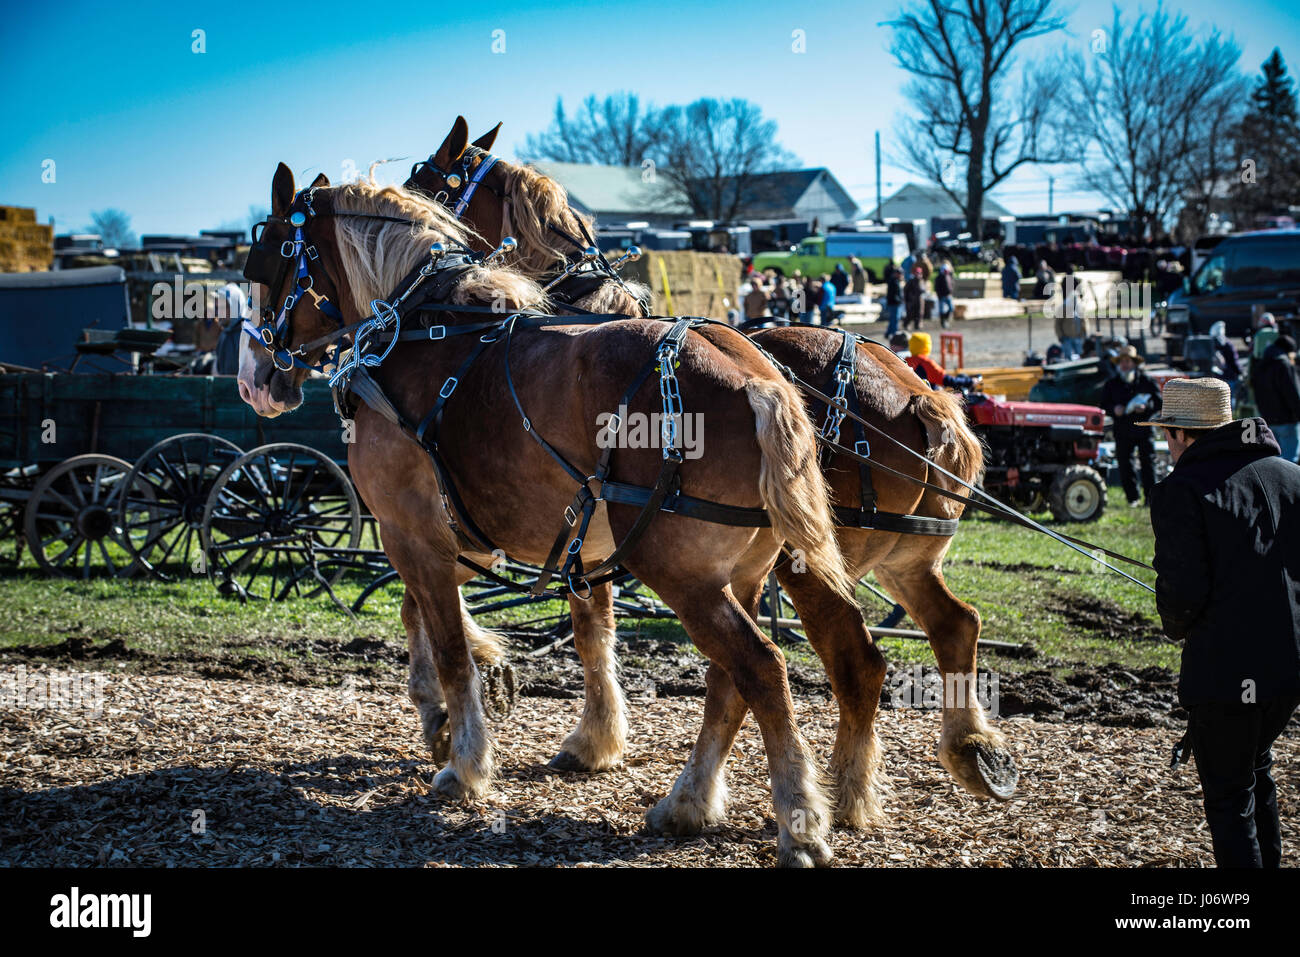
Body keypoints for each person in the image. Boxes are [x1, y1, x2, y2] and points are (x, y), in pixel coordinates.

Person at [1141, 377, 1300, 867]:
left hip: (1229, 672)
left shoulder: (1181, 491)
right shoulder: (1291, 476)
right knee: (1256, 769)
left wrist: (1174, 621)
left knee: (1230, 798)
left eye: (1167, 434)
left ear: (1183, 434)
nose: (1166, 446)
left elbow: (1183, 597)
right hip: (1289, 670)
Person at [1101, 345, 1162, 506]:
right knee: (1125, 464)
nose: (1125, 364)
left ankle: (1150, 498)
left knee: (1148, 463)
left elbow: (1159, 402)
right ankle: (1132, 498)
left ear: (1134, 363)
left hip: (1144, 428)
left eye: (1128, 361)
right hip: (1122, 429)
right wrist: (1115, 409)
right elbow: (1103, 404)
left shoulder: (1146, 381)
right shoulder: (1112, 384)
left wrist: (1146, 407)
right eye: (1122, 361)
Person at [1252, 334, 1300, 463]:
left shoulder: (1260, 366)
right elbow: (1293, 394)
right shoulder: (1284, 365)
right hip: (1287, 420)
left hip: (1268, 420)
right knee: (1291, 462)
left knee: (1274, 461)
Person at [1054, 271, 1091, 360]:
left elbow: (1084, 321)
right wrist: (1060, 336)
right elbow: (1058, 324)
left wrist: (1085, 334)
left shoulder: (1080, 307)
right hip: (1067, 337)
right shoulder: (1064, 308)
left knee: (1080, 356)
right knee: (1068, 357)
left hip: (1078, 336)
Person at [1208, 321, 1242, 409]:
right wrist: (1240, 372)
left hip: (1219, 377)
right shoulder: (1228, 345)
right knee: (1228, 403)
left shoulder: (1213, 345)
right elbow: (1234, 362)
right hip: (1229, 377)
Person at [883, 259, 903, 338]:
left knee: (893, 319)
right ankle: (894, 333)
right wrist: (899, 300)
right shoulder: (894, 281)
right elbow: (893, 294)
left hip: (893, 302)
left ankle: (888, 333)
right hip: (894, 303)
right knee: (895, 319)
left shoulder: (894, 280)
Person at [934, 261, 954, 329]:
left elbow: (951, 285)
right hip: (942, 296)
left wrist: (950, 293)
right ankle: (942, 322)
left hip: (948, 295)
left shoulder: (949, 276)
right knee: (942, 311)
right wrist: (939, 295)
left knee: (951, 308)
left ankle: (946, 319)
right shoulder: (939, 278)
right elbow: (937, 288)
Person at [903, 266, 924, 331]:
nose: (918, 274)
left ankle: (917, 326)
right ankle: (906, 324)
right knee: (910, 314)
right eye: (917, 273)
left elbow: (923, 290)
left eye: (919, 273)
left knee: (919, 313)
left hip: (919, 300)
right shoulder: (911, 281)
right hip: (911, 301)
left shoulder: (922, 281)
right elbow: (905, 290)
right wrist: (907, 300)